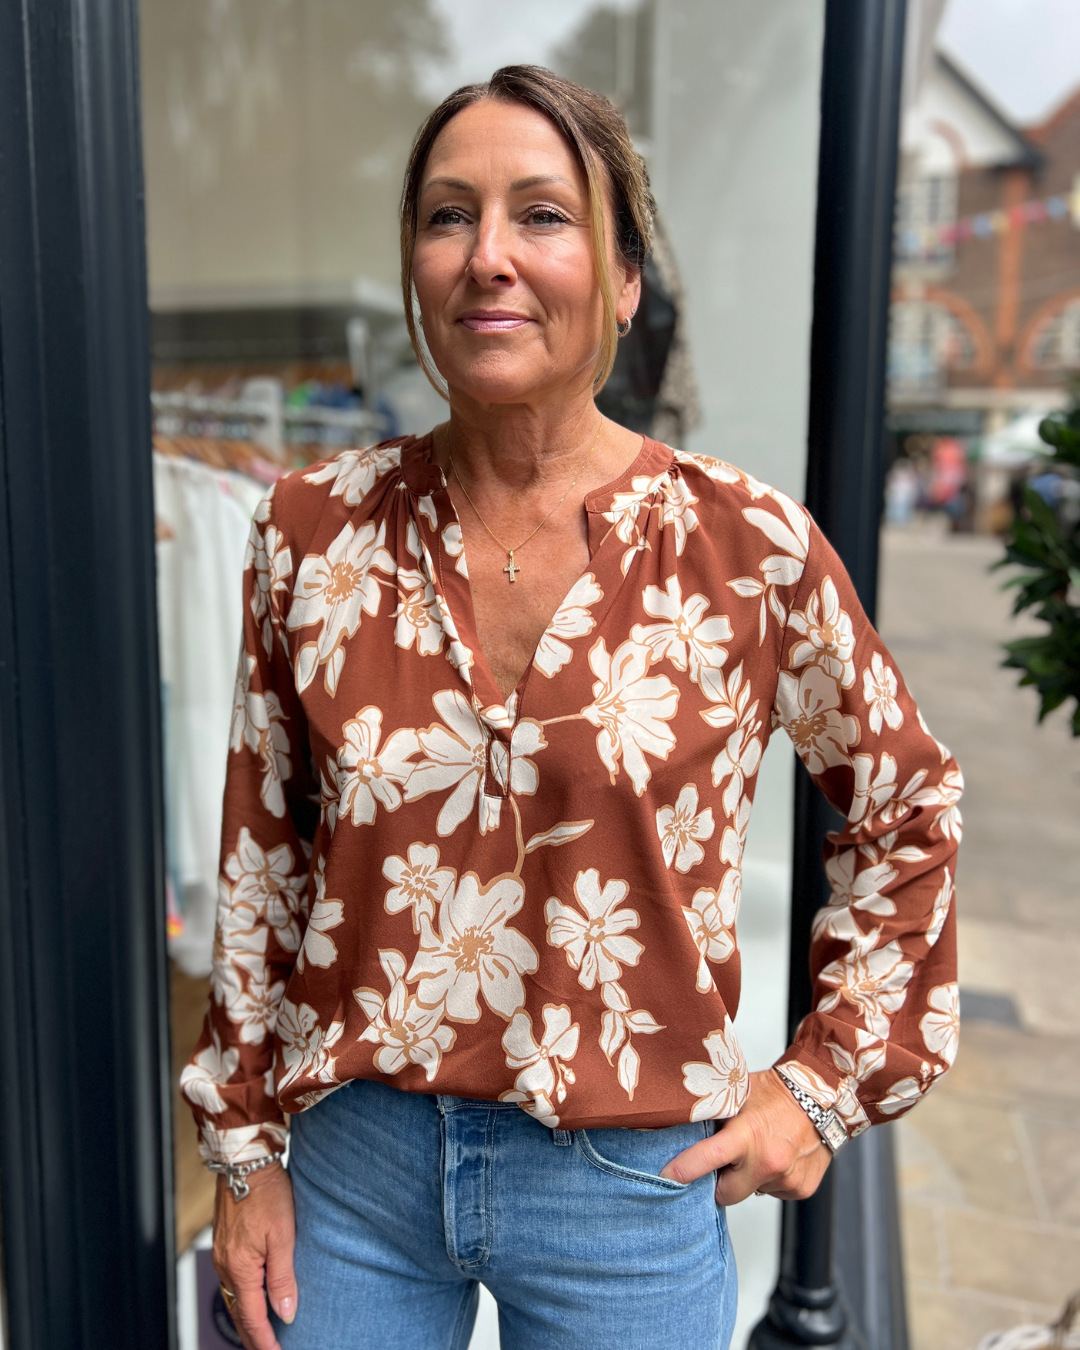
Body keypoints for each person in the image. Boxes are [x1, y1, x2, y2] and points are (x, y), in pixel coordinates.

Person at [183, 66, 961, 1350]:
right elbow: (264, 857)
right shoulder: (309, 531)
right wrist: (246, 1148)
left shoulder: (746, 546)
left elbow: (910, 808)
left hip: (627, 1187)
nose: (488, 255)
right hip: (352, 1168)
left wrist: (820, 1089)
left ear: (622, 277)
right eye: (447, 216)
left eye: (542, 215)